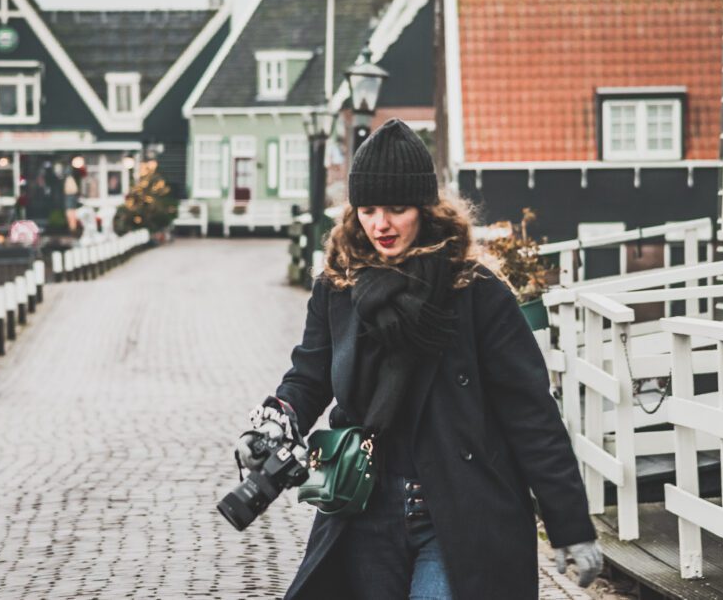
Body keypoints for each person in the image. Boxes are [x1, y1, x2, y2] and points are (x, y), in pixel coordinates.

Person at [237, 119, 600, 599]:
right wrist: (274, 421)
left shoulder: (475, 292)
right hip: (363, 509)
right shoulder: (338, 288)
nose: (380, 224)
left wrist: (569, 523)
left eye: (396, 208)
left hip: (459, 511)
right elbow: (309, 374)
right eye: (367, 209)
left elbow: (531, 412)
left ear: (426, 210)